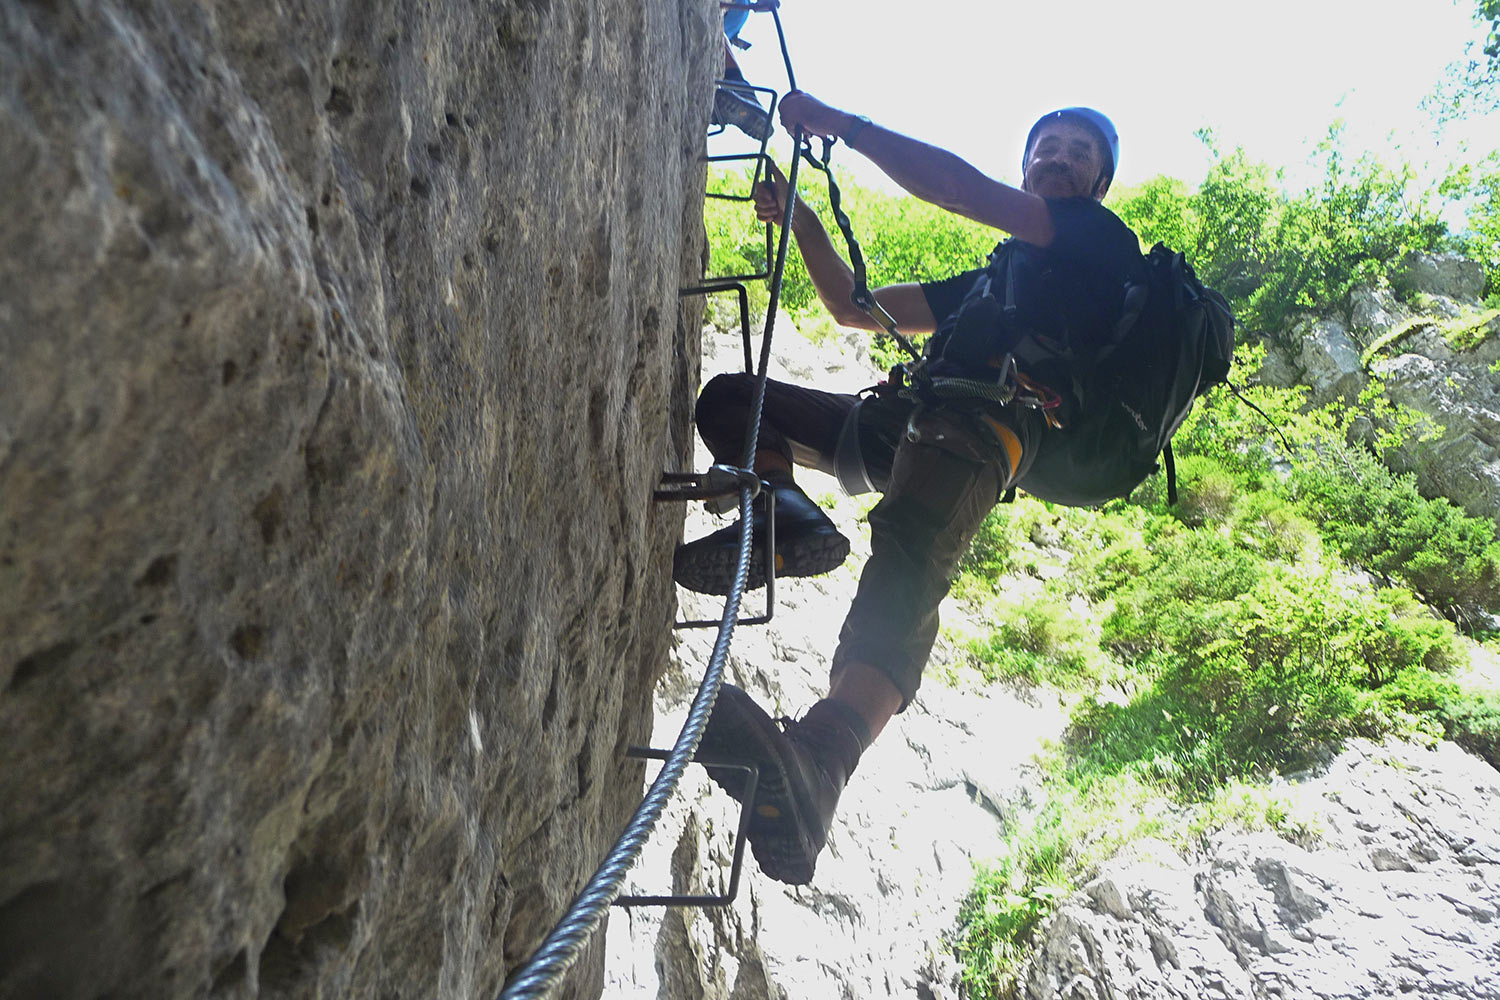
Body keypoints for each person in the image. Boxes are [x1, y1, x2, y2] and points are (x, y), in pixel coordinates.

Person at [674, 91, 1148, 885]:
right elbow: (852, 310)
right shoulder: (998, 281)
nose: (1059, 157)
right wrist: (804, 223)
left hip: (987, 427)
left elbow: (961, 191)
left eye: (1079, 152)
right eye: (1048, 145)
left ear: (1097, 185)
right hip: (912, 418)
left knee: (906, 564)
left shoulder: (1095, 242)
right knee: (732, 402)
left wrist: (845, 127)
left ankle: (819, 765)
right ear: (1029, 162)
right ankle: (786, 518)